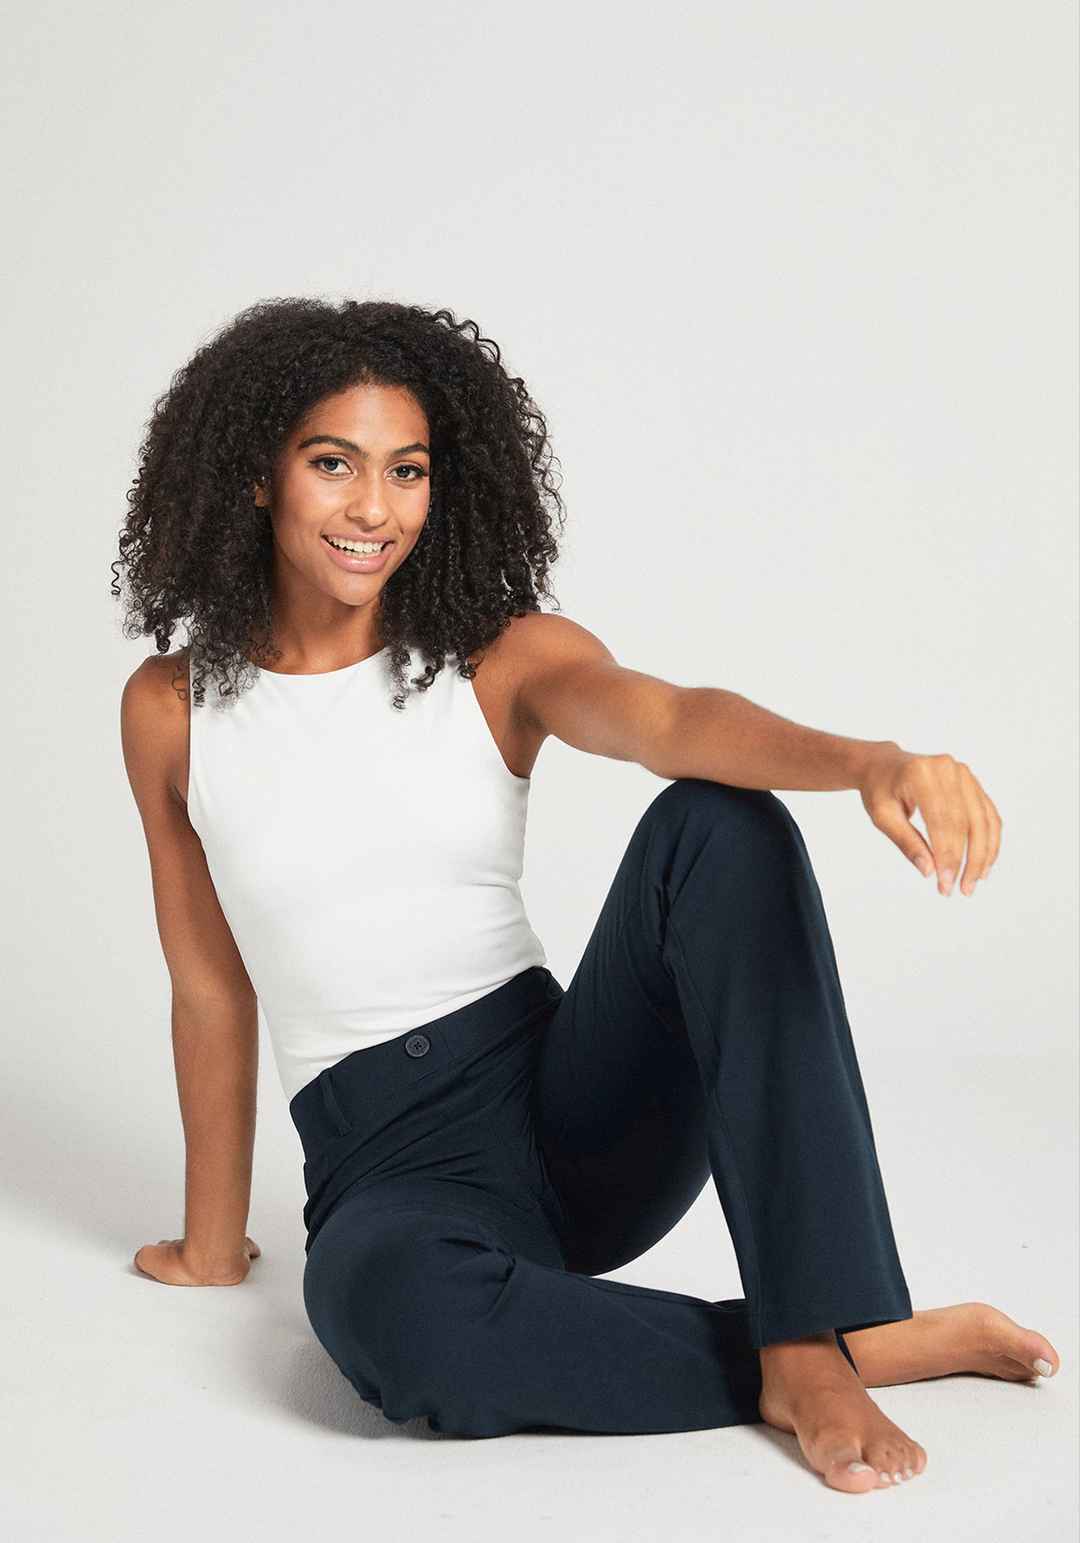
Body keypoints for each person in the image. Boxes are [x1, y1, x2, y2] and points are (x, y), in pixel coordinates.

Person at [115, 297, 1060, 1495]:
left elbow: (670, 720)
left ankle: (806, 1338)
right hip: (392, 1165)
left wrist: (868, 761)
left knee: (719, 823)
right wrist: (212, 1245)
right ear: (259, 475)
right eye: (333, 464)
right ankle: (831, 1342)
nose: (373, 508)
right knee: (396, 1327)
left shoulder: (498, 656)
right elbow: (209, 988)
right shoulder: (173, 709)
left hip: (574, 1110)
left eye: (407, 470)